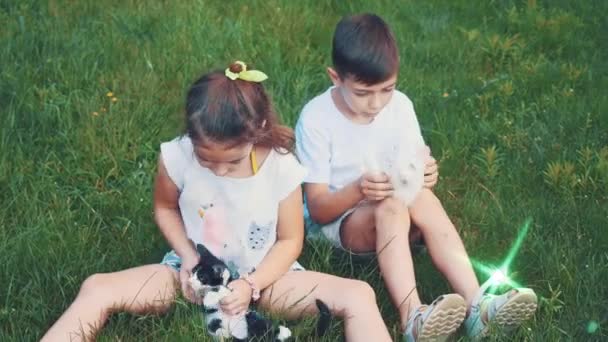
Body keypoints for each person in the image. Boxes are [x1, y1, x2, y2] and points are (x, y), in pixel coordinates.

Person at [42, 61, 393, 342]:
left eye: (232, 162)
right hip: (190, 277)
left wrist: (250, 284)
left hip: (266, 280)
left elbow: (290, 240)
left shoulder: (281, 167)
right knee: (97, 287)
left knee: (358, 294)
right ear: (192, 138)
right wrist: (189, 257)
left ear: (257, 133)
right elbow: (165, 208)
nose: (220, 172)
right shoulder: (176, 156)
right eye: (207, 161)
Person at [295, 13, 538, 341]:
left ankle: (478, 303)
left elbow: (413, 162)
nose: (377, 103)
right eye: (365, 92)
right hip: (342, 226)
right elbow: (319, 208)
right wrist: (357, 190)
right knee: (391, 206)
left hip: (398, 219)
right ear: (335, 78)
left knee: (420, 198)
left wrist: (424, 173)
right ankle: (412, 316)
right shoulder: (316, 119)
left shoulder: (400, 106)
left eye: (387, 89)